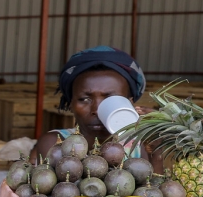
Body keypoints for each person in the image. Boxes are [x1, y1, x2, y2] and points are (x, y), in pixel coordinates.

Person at [30, 45, 162, 170]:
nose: (97, 110)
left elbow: (155, 191)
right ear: (71, 103)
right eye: (85, 99)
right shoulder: (55, 144)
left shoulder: (141, 147)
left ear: (129, 104)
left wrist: (156, 150)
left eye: (110, 100)